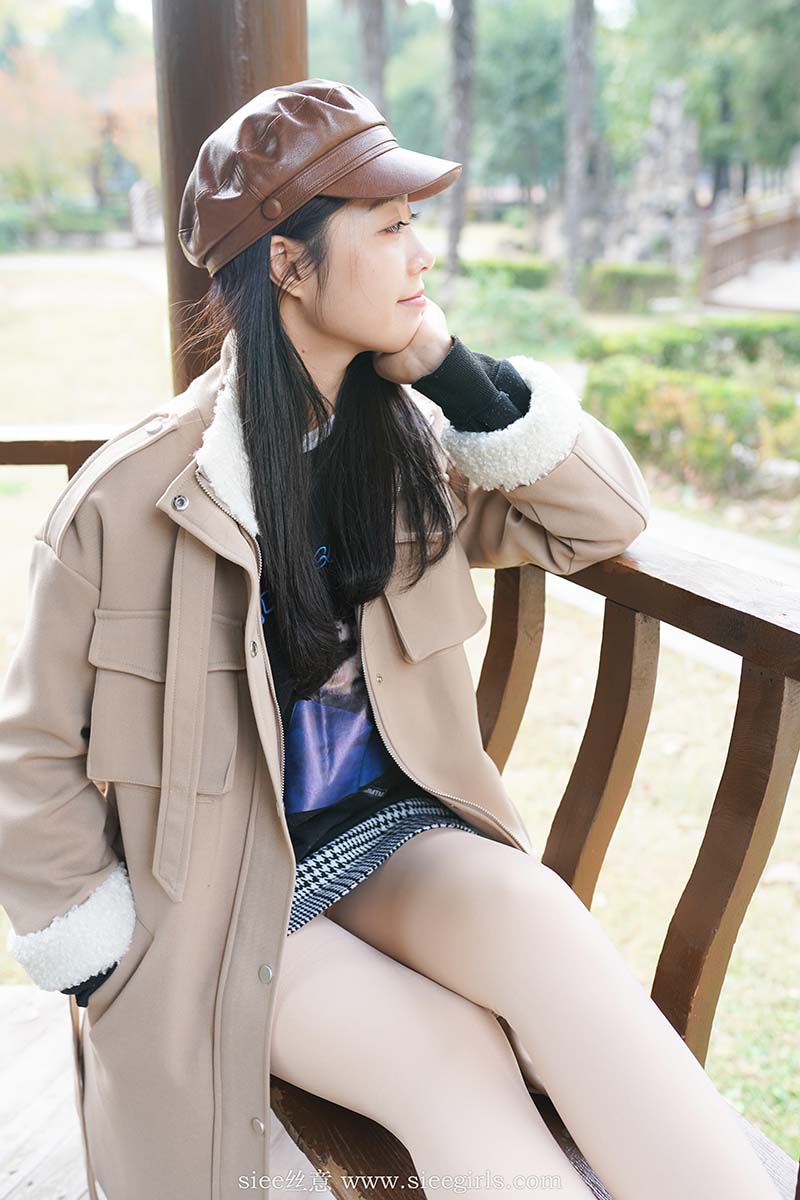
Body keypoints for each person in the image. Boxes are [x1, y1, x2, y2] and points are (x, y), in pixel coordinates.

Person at [0, 79, 780, 1200]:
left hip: (393, 837)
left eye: (415, 223)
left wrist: (456, 373)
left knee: (547, 931)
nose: (422, 255)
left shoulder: (408, 445)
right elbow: (31, 755)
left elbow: (603, 518)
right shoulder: (131, 501)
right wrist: (107, 958)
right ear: (287, 263)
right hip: (223, 894)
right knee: (450, 1060)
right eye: (388, 227)